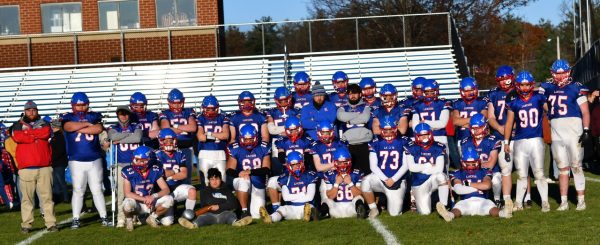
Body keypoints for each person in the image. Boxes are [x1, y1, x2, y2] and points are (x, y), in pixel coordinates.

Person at [539, 59, 590, 211]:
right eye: (557, 74)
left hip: (573, 131)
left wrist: (586, 129)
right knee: (562, 168)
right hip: (557, 133)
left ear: (568, 73)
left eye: (562, 74)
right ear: (552, 74)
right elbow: (540, 101)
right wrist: (549, 111)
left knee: (576, 166)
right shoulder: (547, 88)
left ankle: (581, 200)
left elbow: (585, 111)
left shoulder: (576, 87)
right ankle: (564, 202)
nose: (560, 77)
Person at [61, 92, 111, 228]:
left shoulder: (94, 116)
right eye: (78, 105)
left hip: (94, 159)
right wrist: (86, 125)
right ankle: (76, 218)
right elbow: (68, 127)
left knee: (97, 189)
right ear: (73, 106)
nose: (81, 108)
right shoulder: (68, 117)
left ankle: (104, 217)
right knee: (78, 189)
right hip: (76, 160)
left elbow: (98, 129)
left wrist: (80, 127)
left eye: (83, 105)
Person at [503, 71, 550, 212]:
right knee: (521, 175)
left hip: (536, 140)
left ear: (532, 84)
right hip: (519, 141)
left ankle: (545, 202)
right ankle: (518, 203)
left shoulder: (539, 97)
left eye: (527, 85)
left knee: (539, 173)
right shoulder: (514, 100)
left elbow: (551, 111)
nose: (524, 88)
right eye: (522, 85)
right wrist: (506, 141)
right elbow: (509, 122)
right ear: (517, 85)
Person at [10, 100, 56, 233]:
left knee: (47, 198)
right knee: (27, 199)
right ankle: (26, 224)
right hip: (26, 168)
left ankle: (51, 223)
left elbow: (46, 133)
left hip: (44, 167)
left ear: (37, 110)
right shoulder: (17, 125)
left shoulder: (45, 123)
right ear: (25, 111)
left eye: (33, 109)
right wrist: (35, 134)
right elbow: (17, 137)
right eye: (29, 110)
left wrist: (28, 134)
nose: (31, 112)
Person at [436, 147, 513, 222]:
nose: (471, 166)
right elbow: (458, 189)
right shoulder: (458, 172)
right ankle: (449, 215)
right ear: (463, 162)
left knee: (491, 208)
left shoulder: (485, 170)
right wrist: (479, 186)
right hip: (466, 201)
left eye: (473, 163)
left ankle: (504, 213)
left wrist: (468, 184)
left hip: (482, 200)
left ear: (478, 161)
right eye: (468, 164)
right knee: (457, 209)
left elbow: (487, 185)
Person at [362, 116, 410, 217]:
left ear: (395, 128)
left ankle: (399, 200)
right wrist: (385, 179)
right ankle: (373, 208)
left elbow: (407, 165)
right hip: (381, 179)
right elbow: (373, 166)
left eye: (390, 130)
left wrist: (393, 179)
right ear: (381, 129)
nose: (388, 133)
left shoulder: (404, 141)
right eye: (385, 130)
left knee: (394, 213)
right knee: (366, 181)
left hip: (398, 180)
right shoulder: (376, 142)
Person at [177, 168, 253, 229]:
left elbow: (234, 204)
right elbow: (209, 202)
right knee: (201, 219)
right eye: (212, 179)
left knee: (230, 215)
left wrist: (219, 206)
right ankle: (193, 225)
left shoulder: (226, 189)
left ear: (220, 179)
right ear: (209, 181)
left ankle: (237, 223)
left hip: (224, 214)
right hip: (209, 215)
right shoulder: (204, 190)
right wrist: (225, 202)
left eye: (217, 179)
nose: (214, 181)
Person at [266, 117, 313, 212]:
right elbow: (281, 158)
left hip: (303, 174)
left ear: (299, 128)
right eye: (291, 130)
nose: (294, 132)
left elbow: (308, 159)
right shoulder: (282, 141)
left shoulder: (306, 140)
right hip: (288, 174)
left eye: (295, 129)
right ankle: (276, 208)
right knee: (271, 182)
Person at [107, 105, 143, 227]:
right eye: (121, 113)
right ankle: (121, 218)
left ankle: (135, 216)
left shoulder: (136, 126)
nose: (124, 116)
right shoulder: (113, 127)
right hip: (121, 165)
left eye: (126, 113)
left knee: (137, 191)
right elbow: (113, 137)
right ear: (117, 115)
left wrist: (121, 139)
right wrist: (129, 136)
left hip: (136, 164)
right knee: (121, 193)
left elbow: (137, 137)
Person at [121, 146, 173, 231]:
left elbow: (166, 189)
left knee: (169, 199)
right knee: (127, 203)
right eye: (137, 160)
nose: (138, 163)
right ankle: (129, 220)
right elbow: (127, 193)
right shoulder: (128, 171)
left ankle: (152, 218)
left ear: (150, 160)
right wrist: (145, 199)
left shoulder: (155, 169)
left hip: (151, 203)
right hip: (137, 204)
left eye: (142, 160)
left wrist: (153, 196)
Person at [226, 124, 271, 218]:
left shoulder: (263, 147)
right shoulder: (235, 148)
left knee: (257, 215)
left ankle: (248, 207)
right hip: (241, 179)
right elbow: (229, 170)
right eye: (246, 139)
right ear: (241, 138)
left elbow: (266, 169)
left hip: (258, 180)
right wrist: (239, 173)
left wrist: (250, 172)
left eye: (251, 139)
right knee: (244, 181)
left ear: (256, 138)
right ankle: (244, 211)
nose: (248, 142)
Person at [259, 151, 318, 223]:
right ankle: (270, 218)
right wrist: (302, 194)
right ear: (289, 165)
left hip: (306, 206)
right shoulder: (285, 178)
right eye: (293, 165)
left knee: (311, 208)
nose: (296, 167)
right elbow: (286, 198)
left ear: (302, 163)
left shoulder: (309, 175)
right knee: (281, 210)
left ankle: (307, 215)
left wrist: (293, 197)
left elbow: (310, 197)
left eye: (298, 164)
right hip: (292, 207)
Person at [487, 65, 516, 208]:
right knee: (505, 169)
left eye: (507, 79)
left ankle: (527, 198)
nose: (504, 82)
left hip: (518, 135)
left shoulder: (519, 91)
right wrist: (499, 127)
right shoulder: (493, 93)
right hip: (499, 134)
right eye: (501, 80)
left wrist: (512, 127)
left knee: (524, 169)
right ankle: (506, 199)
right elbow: (491, 116)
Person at [154, 128, 197, 226]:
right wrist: (175, 171)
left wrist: (169, 176)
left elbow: (184, 174)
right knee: (167, 223)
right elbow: (160, 174)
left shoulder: (180, 153)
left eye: (171, 140)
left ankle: (187, 217)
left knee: (192, 191)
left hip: (175, 188)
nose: (169, 143)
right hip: (162, 191)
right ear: (161, 141)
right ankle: (155, 214)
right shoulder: (156, 155)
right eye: (166, 140)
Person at [405, 123, 450, 215]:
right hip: (419, 183)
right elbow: (412, 167)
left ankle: (444, 206)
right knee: (425, 212)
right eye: (421, 136)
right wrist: (428, 165)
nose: (424, 138)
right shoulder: (411, 147)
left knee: (441, 176)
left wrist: (422, 169)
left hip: (432, 180)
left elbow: (439, 169)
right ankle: (414, 196)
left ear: (430, 134)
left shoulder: (438, 146)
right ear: (416, 136)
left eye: (426, 135)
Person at [460, 114, 502, 206]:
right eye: (474, 129)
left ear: (485, 127)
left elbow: (491, 164)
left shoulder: (492, 140)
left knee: (496, 179)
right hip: (473, 172)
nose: (476, 131)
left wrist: (475, 164)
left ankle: (497, 200)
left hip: (490, 171)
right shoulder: (465, 142)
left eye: (478, 128)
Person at [159, 89, 197, 185]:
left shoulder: (189, 111)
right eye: (173, 103)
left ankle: (185, 196)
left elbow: (192, 128)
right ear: (169, 102)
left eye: (179, 103)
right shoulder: (164, 113)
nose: (176, 106)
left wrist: (174, 127)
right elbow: (166, 128)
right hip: (170, 147)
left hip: (186, 147)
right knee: (170, 172)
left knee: (187, 175)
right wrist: (185, 128)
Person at [411, 79, 452, 165]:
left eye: (432, 92)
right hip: (423, 139)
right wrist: (432, 126)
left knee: (443, 167)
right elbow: (415, 127)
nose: (429, 94)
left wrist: (424, 122)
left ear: (436, 91)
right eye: (427, 92)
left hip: (439, 137)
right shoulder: (417, 105)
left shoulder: (443, 103)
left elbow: (443, 123)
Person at [337, 84, 373, 174]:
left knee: (367, 172)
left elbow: (365, 118)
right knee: (352, 173)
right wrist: (357, 114)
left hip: (364, 144)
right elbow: (341, 116)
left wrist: (349, 120)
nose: (352, 96)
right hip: (349, 145)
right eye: (350, 94)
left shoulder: (366, 107)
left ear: (360, 94)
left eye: (355, 93)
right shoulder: (342, 108)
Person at [322, 147, 365, 218]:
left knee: (359, 198)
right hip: (336, 208)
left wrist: (350, 183)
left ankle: (360, 212)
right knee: (326, 200)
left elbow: (358, 193)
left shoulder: (357, 173)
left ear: (350, 161)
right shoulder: (329, 174)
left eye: (345, 162)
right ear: (335, 162)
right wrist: (336, 183)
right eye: (339, 163)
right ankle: (321, 214)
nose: (342, 165)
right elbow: (330, 196)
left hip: (352, 207)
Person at [265, 87, 299, 177]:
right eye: (281, 101)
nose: (283, 103)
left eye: (285, 100)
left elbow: (300, 127)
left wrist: (280, 130)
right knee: (278, 166)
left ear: (290, 98)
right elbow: (271, 130)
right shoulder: (271, 112)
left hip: (293, 141)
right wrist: (289, 129)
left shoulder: (296, 111)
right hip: (277, 142)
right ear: (276, 101)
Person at [196, 95, 230, 184]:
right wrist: (218, 136)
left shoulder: (223, 117)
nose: (210, 111)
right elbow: (201, 137)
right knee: (206, 181)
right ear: (203, 108)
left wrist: (210, 134)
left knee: (222, 180)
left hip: (220, 153)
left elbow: (225, 135)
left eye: (213, 109)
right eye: (208, 109)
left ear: (217, 108)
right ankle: (207, 198)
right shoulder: (200, 118)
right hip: (204, 153)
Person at [452, 77, 489, 150]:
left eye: (471, 90)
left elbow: (483, 118)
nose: (469, 93)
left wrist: (463, 122)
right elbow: (455, 121)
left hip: (480, 138)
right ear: (461, 91)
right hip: (462, 137)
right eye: (466, 91)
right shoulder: (457, 103)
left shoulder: (482, 101)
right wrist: (474, 122)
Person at [49, 119, 69, 204]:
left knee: (61, 181)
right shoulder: (57, 136)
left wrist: (52, 158)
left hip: (58, 162)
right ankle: (58, 197)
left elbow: (60, 150)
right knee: (56, 181)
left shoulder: (59, 137)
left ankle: (66, 197)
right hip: (57, 162)